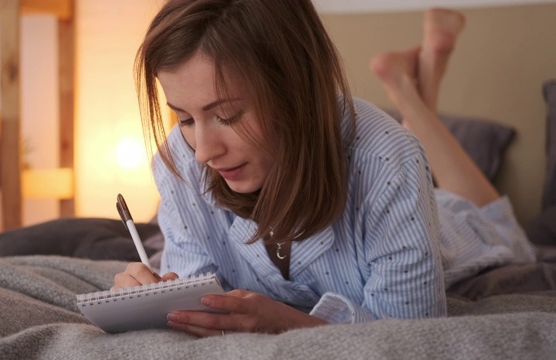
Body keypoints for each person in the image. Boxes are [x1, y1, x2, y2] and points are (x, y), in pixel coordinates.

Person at [113, 1, 536, 337]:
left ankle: (407, 92)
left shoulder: (388, 162)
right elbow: (198, 299)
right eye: (185, 119)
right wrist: (152, 299)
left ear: (293, 89)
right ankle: (414, 86)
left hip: (450, 227)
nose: (202, 151)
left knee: (497, 226)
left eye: (226, 115)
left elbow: (411, 335)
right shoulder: (181, 163)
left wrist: (285, 321)